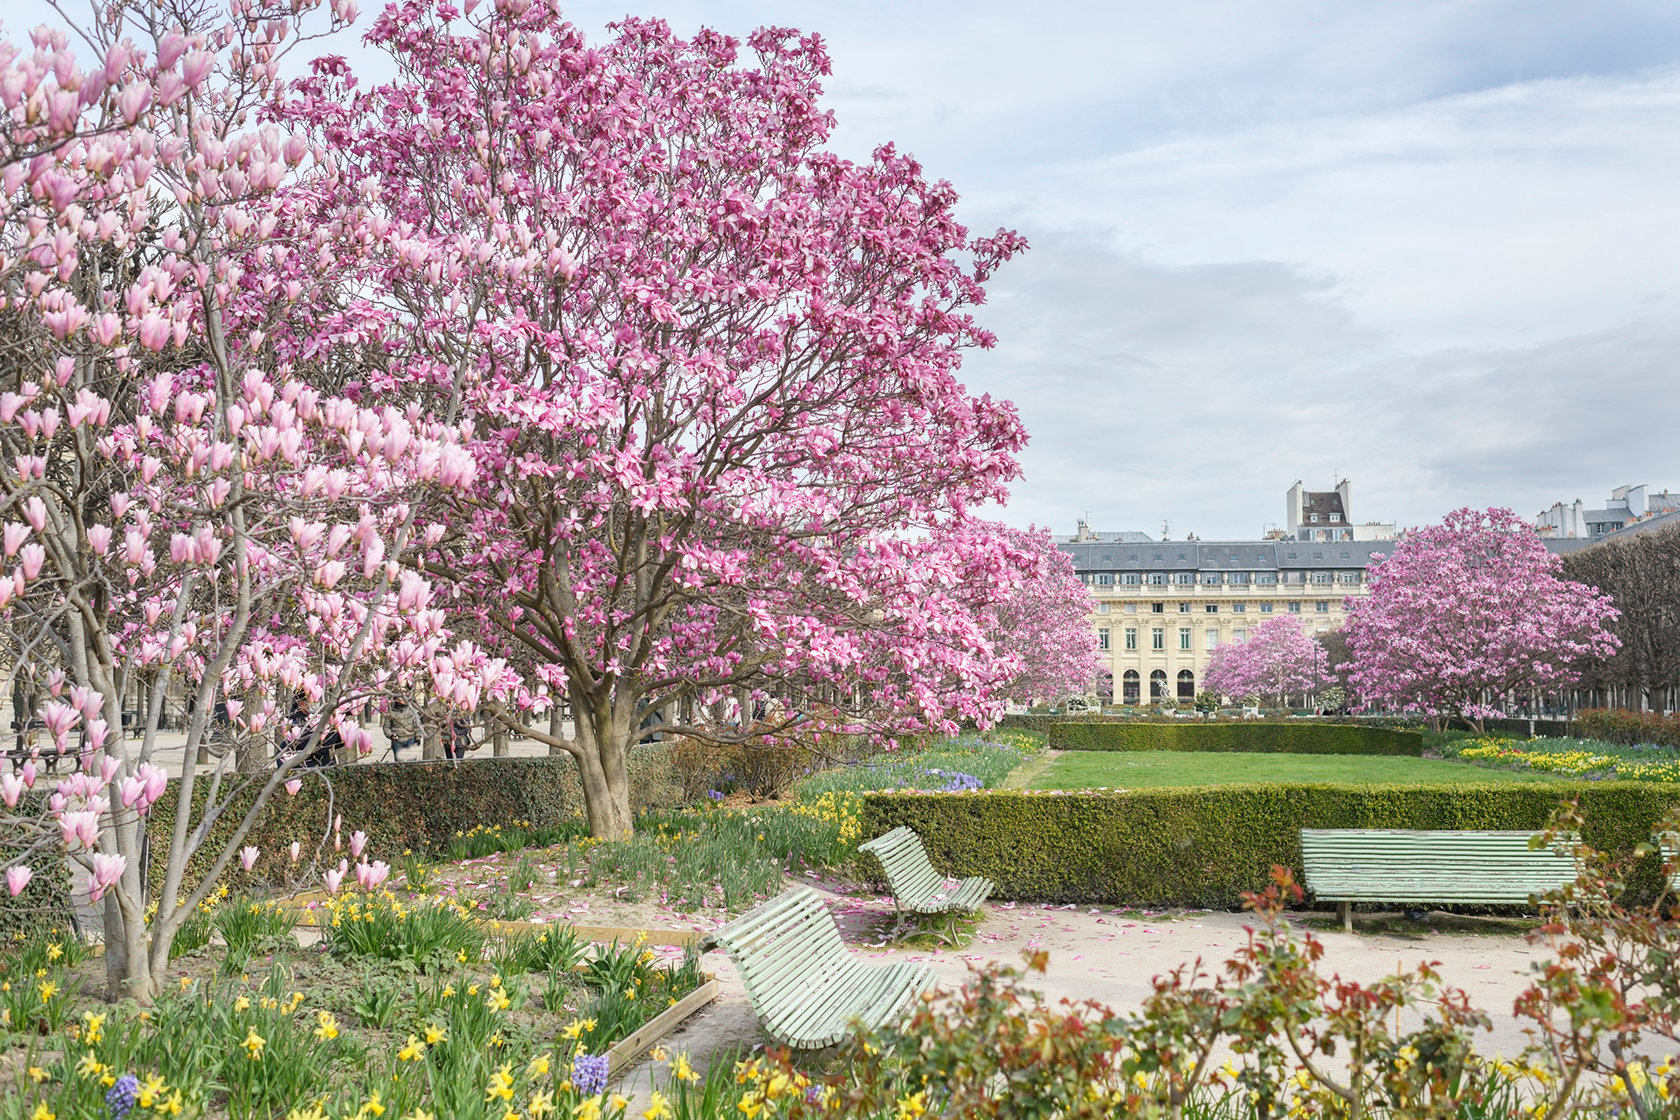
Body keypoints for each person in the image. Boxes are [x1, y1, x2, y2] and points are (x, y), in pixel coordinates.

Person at [380, 696, 421, 762]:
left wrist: (418, 738)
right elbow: (386, 727)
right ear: (397, 700)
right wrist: (391, 735)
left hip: (410, 739)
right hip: (397, 741)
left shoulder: (412, 710)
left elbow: (418, 725)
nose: (405, 700)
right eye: (402, 698)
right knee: (399, 763)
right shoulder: (391, 711)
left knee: (411, 762)